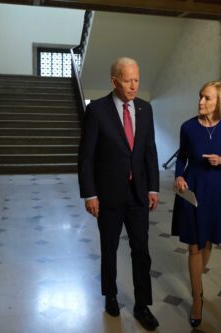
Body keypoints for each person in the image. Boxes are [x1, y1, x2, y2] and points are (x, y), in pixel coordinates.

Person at [78, 57, 160, 331]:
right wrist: (90, 194)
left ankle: (142, 305)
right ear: (114, 81)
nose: (134, 85)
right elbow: (86, 156)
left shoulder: (145, 109)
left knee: (141, 251)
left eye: (137, 79)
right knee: (109, 249)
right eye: (128, 80)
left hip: (138, 195)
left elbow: (149, 151)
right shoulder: (97, 111)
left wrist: (152, 187)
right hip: (109, 195)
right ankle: (110, 294)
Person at [171, 80, 221, 327]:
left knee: (208, 240)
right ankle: (197, 299)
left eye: (207, 98)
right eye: (200, 96)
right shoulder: (188, 127)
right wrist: (179, 175)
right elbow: (181, 157)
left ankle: (196, 282)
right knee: (193, 245)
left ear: (219, 102)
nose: (201, 101)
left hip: (217, 190)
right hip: (192, 188)